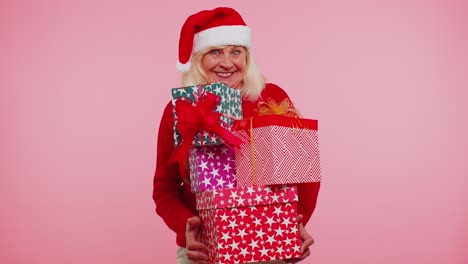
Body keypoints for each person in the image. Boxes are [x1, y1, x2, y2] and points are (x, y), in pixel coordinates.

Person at [152, 7, 320, 264]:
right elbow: (165, 187)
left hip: (267, 244)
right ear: (198, 59)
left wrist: (291, 224)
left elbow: (302, 172)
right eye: (215, 52)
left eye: (236, 51)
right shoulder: (181, 110)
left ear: (247, 57)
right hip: (204, 253)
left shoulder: (272, 98)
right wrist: (190, 227)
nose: (228, 63)